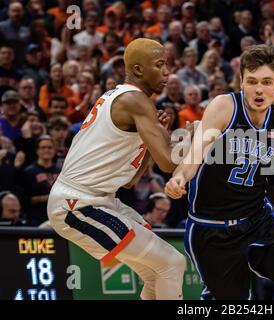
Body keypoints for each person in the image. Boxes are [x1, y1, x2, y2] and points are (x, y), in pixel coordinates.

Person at [165, 44, 274, 300]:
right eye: (252, 81)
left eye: (267, 82)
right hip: (210, 228)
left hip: (257, 222)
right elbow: (195, 153)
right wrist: (181, 176)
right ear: (241, 82)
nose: (259, 89)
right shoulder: (224, 107)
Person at [47, 38, 186, 300]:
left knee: (155, 273)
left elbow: (130, 182)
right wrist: (197, 141)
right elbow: (168, 163)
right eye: (159, 65)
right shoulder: (134, 100)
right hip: (78, 203)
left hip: (99, 199)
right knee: (172, 263)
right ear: (137, 69)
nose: (167, 72)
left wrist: (152, 140)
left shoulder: (121, 97)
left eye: (167, 64)